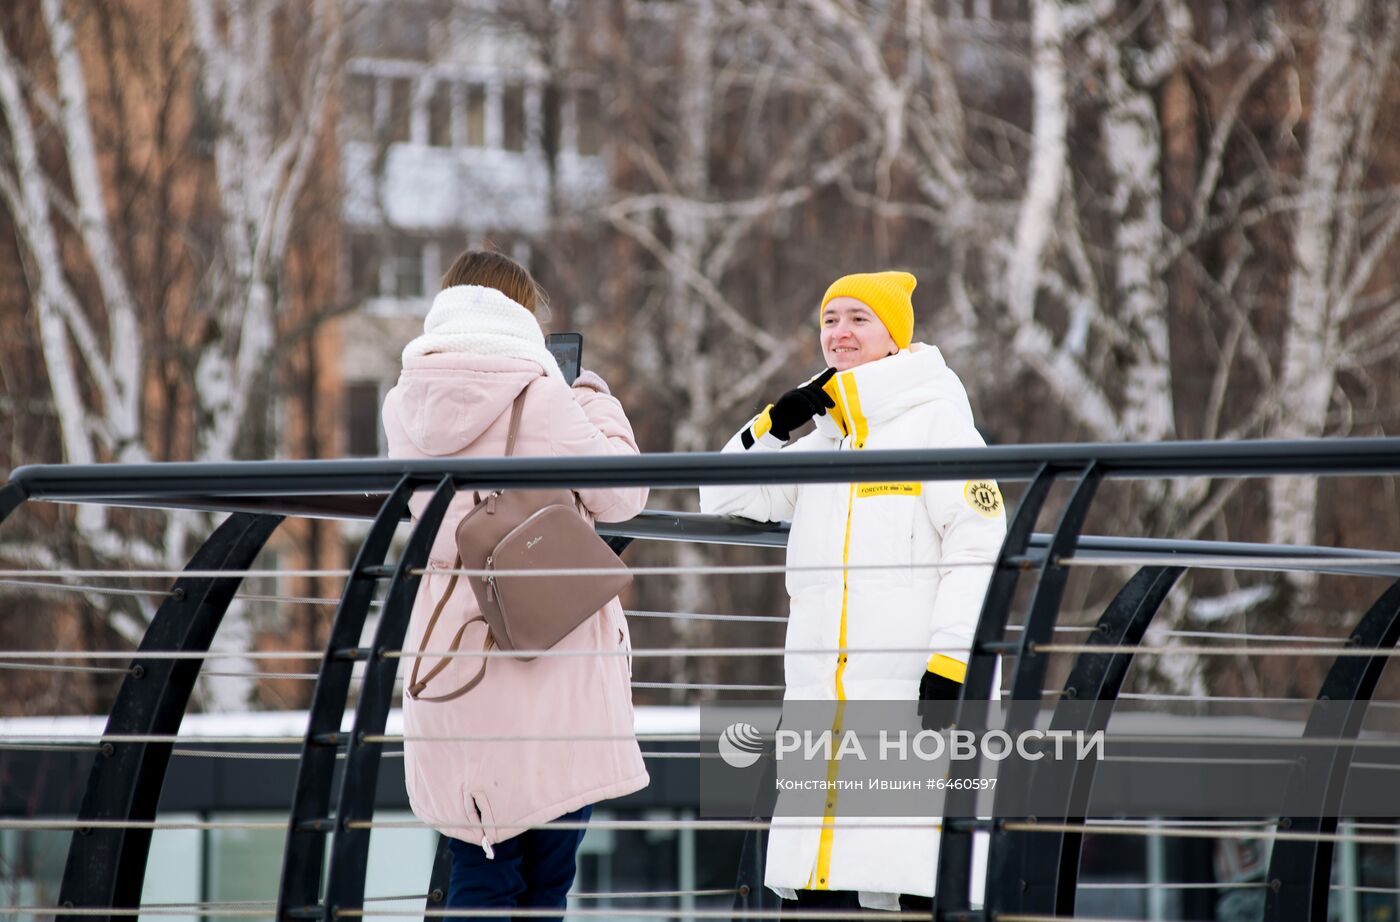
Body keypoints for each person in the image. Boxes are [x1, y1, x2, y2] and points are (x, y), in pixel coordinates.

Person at [699, 270, 1007, 914]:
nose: (839, 332)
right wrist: (774, 424)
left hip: (913, 698)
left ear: (894, 337)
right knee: (822, 887)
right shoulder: (828, 437)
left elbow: (980, 548)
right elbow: (723, 495)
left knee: (905, 880)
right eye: (830, 319)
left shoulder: (937, 423)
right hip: (821, 703)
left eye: (859, 319)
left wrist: (956, 665)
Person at [382, 250, 649, 921]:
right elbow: (623, 493)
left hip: (452, 646)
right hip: (543, 647)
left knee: (481, 855)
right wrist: (594, 398)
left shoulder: (403, 399)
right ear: (520, 312)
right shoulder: (539, 392)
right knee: (546, 873)